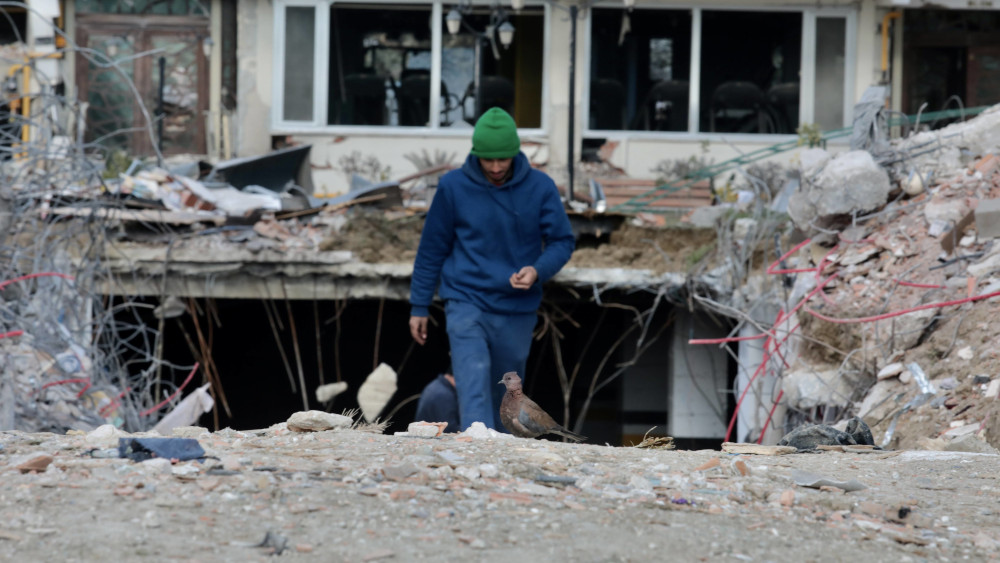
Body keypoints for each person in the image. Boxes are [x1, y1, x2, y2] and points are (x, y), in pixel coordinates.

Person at [408, 107, 576, 431]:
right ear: (476, 154)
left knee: (507, 397)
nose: (496, 167)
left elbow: (562, 241)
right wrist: (419, 305)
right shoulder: (453, 187)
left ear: (516, 153)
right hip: (465, 300)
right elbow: (431, 248)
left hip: (516, 308)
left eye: (503, 159)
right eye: (489, 160)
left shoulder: (540, 187)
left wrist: (537, 270)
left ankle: (497, 457)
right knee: (472, 381)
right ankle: (477, 450)